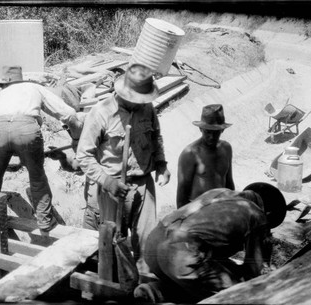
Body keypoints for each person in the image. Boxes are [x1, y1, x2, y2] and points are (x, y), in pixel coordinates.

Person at [76, 63, 171, 261]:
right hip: (111, 187)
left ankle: (143, 286)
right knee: (111, 247)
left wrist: (161, 164)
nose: (140, 103)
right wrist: (107, 181)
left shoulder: (147, 109)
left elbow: (156, 138)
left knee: (148, 245)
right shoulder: (101, 112)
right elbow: (84, 156)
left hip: (143, 185)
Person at [0, 66, 80, 234]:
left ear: (3, 84)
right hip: (27, 130)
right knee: (36, 176)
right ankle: (44, 220)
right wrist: (76, 138)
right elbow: (68, 113)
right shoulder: (34, 88)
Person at [136, 182, 286, 303]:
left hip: (154, 245)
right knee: (241, 292)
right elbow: (254, 271)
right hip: (180, 254)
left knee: (196, 282)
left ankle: (154, 291)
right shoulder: (257, 214)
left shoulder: (220, 192)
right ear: (268, 213)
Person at [176, 104, 235, 208]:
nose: (211, 137)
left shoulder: (226, 148)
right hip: (199, 210)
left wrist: (233, 204)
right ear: (200, 129)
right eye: (208, 132)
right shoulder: (191, 153)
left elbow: (229, 182)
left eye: (215, 132)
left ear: (222, 130)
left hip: (222, 207)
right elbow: (182, 192)